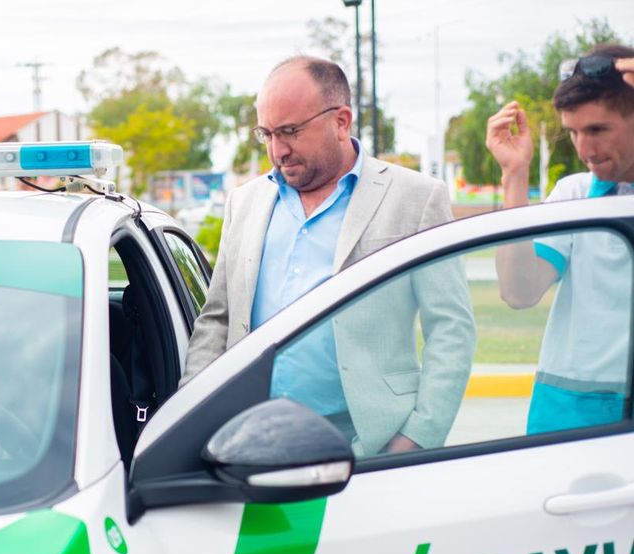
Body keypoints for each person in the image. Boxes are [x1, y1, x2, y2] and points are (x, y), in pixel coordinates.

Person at [183, 56, 475, 456]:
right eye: (266, 133)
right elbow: (217, 320)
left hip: (368, 448)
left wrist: (417, 437)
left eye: (289, 131)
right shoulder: (244, 203)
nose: (277, 150)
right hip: (249, 444)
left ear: (341, 121)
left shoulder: (417, 198)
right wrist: (188, 421)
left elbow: (451, 328)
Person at [485, 44, 634, 434]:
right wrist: (514, 177)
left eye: (598, 130)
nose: (585, 148)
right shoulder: (575, 193)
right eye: (573, 132)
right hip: (568, 407)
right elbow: (519, 292)